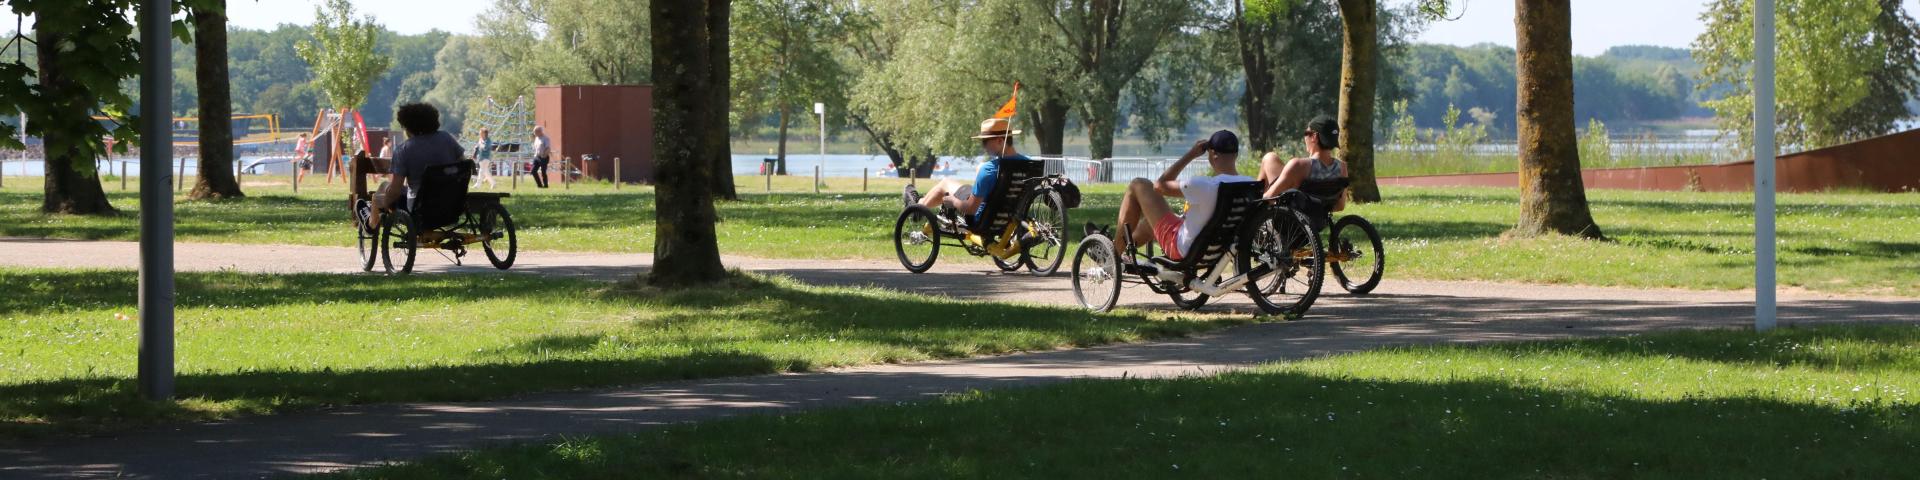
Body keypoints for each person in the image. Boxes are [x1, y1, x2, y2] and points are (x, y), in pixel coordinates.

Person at [1106, 130, 1255, 262]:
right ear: (1235, 155)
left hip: (1184, 249)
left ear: (1213, 155)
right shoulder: (1251, 185)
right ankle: (1118, 250)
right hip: (1218, 251)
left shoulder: (1205, 185)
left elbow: (1159, 186)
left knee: (1138, 184)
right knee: (1149, 224)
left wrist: (1190, 155)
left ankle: (1111, 257)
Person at [904, 118, 1028, 230]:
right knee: (979, 169)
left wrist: (953, 200)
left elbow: (970, 209)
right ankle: (919, 203)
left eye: (985, 142)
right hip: (1009, 220)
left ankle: (918, 207)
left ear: (1000, 140)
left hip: (980, 220)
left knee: (945, 183)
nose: (983, 147)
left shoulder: (989, 169)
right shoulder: (1029, 164)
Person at [370, 103, 465, 230]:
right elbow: (464, 165)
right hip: (452, 205)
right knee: (385, 188)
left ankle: (371, 224)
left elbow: (396, 189)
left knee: (383, 189)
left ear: (408, 127)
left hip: (419, 210)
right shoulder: (446, 138)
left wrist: (384, 203)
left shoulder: (403, 150)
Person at [1257, 114, 1349, 216]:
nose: (1304, 137)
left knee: (1269, 158)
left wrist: (1255, 201)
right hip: (1316, 224)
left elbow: (1268, 198)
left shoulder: (1299, 165)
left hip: (1288, 223)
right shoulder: (1342, 167)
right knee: (1271, 159)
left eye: (1306, 133)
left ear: (1314, 137)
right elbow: (1340, 206)